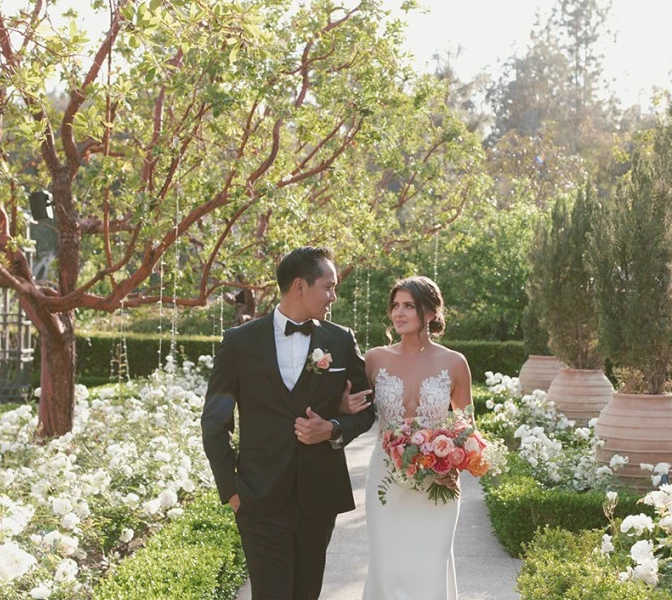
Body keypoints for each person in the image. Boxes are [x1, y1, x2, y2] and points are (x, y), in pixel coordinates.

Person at [201, 246, 375, 600]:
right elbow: (214, 422)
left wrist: (334, 428)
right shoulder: (239, 342)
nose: (333, 296)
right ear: (300, 285)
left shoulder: (341, 340)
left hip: (319, 496)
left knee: (306, 593)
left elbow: (367, 408)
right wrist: (232, 491)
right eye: (328, 286)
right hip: (258, 496)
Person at [354, 276, 473, 600]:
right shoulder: (374, 358)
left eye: (409, 305)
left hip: (438, 481)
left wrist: (452, 465)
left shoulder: (454, 362)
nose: (399, 313)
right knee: (387, 564)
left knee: (429, 565)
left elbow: (466, 427)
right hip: (386, 480)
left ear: (431, 313)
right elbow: (353, 407)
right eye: (395, 305)